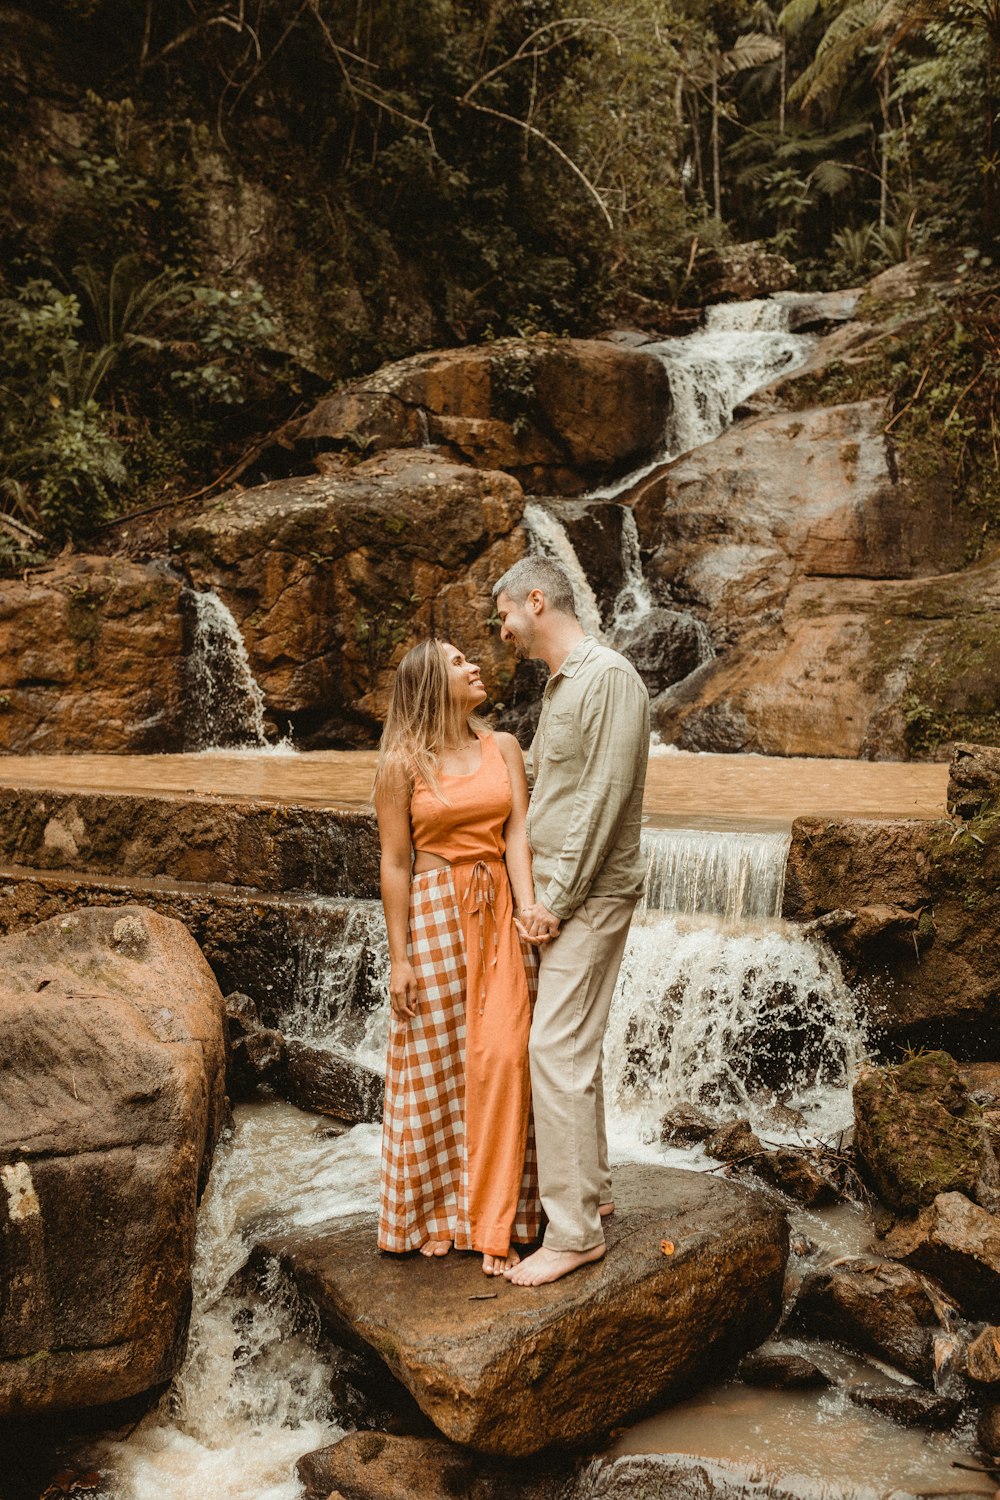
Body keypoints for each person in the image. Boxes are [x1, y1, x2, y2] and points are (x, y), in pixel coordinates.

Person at [491, 556, 650, 1287]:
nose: (502, 631)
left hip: (588, 895)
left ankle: (575, 1232)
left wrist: (554, 897)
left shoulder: (610, 677)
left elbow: (604, 799)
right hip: (566, 892)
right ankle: (596, 1193)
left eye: (504, 615)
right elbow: (559, 795)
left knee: (552, 1048)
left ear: (536, 599)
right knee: (572, 1046)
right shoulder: (562, 687)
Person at [373, 637, 542, 1276]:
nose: (473, 665)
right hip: (435, 911)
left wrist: (527, 908)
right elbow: (394, 862)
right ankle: (437, 1217)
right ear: (429, 684)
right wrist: (400, 958)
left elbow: (518, 832)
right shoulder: (402, 764)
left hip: (499, 908)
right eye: (457, 662)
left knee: (504, 1057)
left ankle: (501, 1218)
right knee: (435, 1067)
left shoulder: (504, 748)